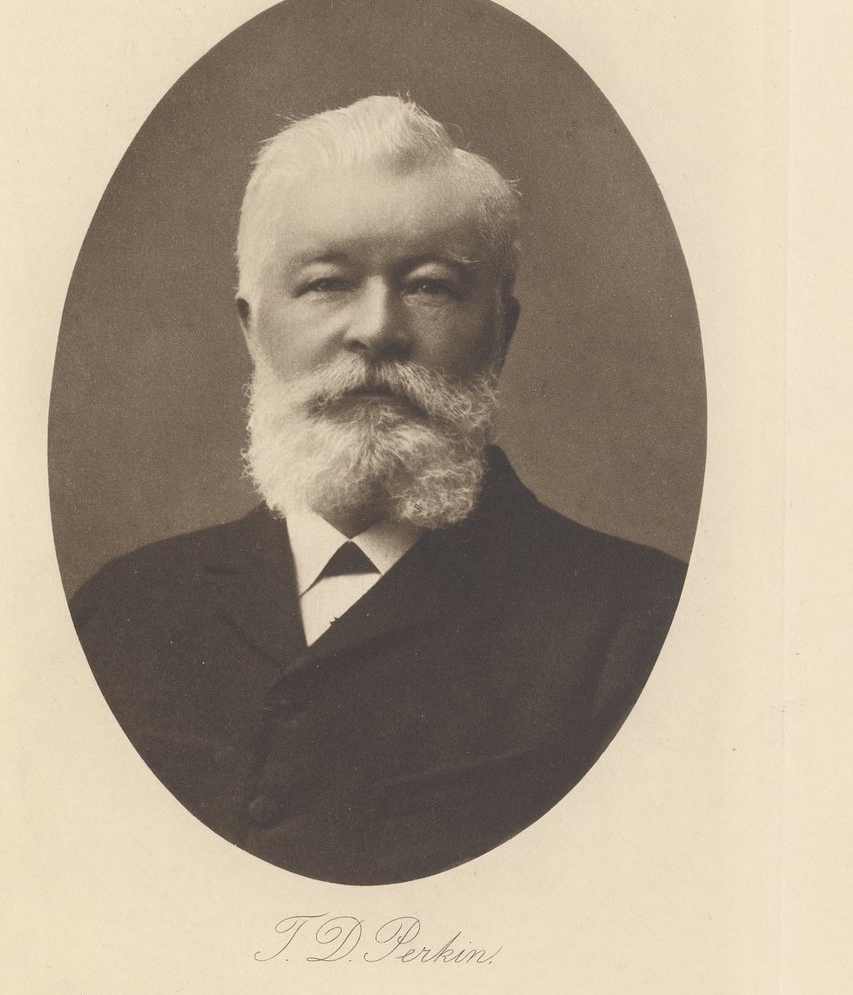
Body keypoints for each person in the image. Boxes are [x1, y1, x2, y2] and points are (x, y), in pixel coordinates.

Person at [71, 95, 686, 885]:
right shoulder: (122, 614)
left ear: (501, 333)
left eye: (431, 287)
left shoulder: (641, 628)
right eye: (327, 283)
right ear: (252, 329)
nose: (377, 329)